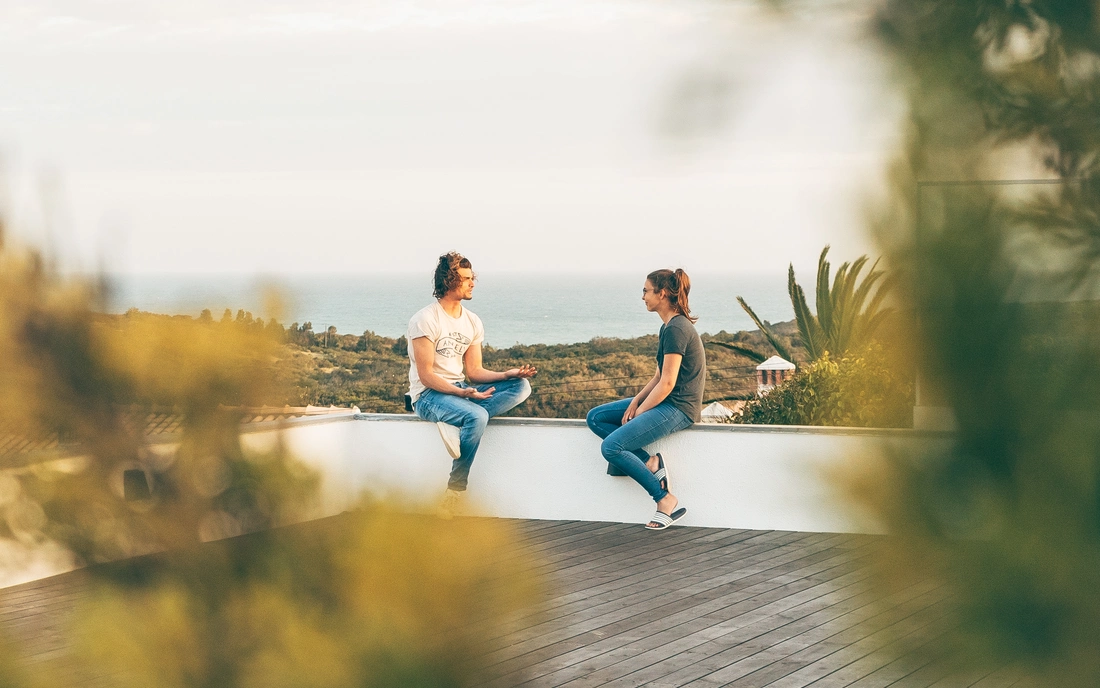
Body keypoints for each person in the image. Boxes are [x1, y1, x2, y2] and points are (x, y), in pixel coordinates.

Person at [407, 251, 537, 517]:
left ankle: (461, 420)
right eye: (465, 278)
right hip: (429, 395)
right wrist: (460, 393)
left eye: (471, 278)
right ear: (448, 280)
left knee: (522, 387)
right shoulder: (425, 319)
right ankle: (455, 491)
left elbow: (475, 372)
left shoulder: (472, 321)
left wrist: (506, 374)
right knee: (477, 415)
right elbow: (426, 376)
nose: (472, 283)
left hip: (460, 389)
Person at [586, 268, 705, 530]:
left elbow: (668, 383)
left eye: (645, 291)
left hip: (678, 407)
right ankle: (649, 462)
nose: (642, 297)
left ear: (662, 294)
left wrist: (639, 414)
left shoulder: (677, 329)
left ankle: (664, 499)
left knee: (611, 448)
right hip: (664, 401)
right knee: (595, 417)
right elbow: (658, 376)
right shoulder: (668, 327)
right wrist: (635, 401)